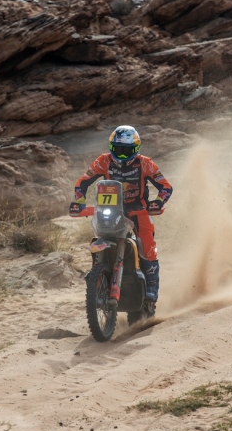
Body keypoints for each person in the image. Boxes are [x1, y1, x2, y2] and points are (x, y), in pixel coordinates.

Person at [70, 125, 173, 304]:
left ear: (136, 149)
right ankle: (98, 276)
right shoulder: (103, 161)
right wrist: (79, 201)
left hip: (139, 210)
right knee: (97, 238)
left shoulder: (145, 163)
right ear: (111, 147)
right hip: (108, 209)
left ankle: (151, 289)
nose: (122, 155)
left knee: (146, 245)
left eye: (127, 151)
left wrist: (158, 202)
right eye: (118, 150)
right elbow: (83, 181)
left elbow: (165, 186)